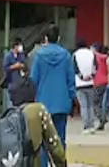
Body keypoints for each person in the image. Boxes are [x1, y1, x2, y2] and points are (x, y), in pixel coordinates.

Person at [29, 24, 75, 167]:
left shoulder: (39, 56)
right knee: (60, 139)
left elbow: (33, 80)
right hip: (62, 103)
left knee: (42, 142)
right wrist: (72, 99)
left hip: (43, 105)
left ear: (46, 38)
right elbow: (71, 81)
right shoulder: (66, 55)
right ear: (59, 38)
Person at [73, 38, 97, 134]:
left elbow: (74, 68)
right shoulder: (91, 54)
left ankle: (86, 126)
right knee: (91, 105)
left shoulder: (75, 55)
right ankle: (92, 125)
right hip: (90, 83)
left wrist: (82, 77)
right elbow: (96, 67)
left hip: (79, 84)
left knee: (83, 106)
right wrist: (91, 76)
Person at [2, 37, 26, 109]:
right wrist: (14, 66)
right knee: (10, 103)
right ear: (15, 46)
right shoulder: (8, 56)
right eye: (19, 46)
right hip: (11, 82)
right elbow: (5, 68)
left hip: (20, 82)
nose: (20, 47)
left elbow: (25, 65)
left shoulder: (21, 55)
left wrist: (22, 66)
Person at [92, 43, 109, 130]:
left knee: (95, 103)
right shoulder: (103, 57)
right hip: (105, 81)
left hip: (98, 82)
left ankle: (102, 118)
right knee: (100, 102)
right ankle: (102, 120)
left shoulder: (95, 56)